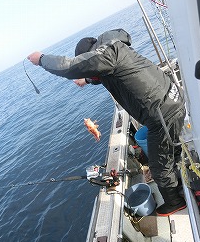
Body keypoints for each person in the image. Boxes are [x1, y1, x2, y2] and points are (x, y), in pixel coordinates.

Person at [27, 28, 186, 216]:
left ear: (91, 54)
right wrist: (86, 80)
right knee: (171, 151)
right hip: (173, 100)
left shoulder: (107, 54)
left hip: (161, 115)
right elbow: (106, 74)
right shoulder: (116, 49)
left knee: (159, 166)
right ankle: (181, 179)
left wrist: (42, 59)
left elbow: (70, 66)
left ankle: (175, 202)